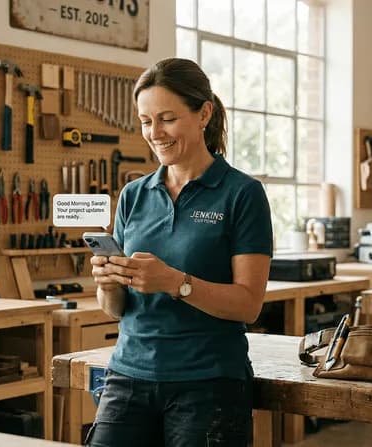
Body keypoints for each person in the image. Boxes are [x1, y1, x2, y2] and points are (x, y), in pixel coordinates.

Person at [87, 58, 273, 447]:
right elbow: (116, 309)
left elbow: (248, 305)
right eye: (145, 121)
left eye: (167, 119)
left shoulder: (242, 194)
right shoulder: (134, 195)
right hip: (128, 376)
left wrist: (174, 282)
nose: (155, 133)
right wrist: (108, 283)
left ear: (203, 113)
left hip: (208, 383)